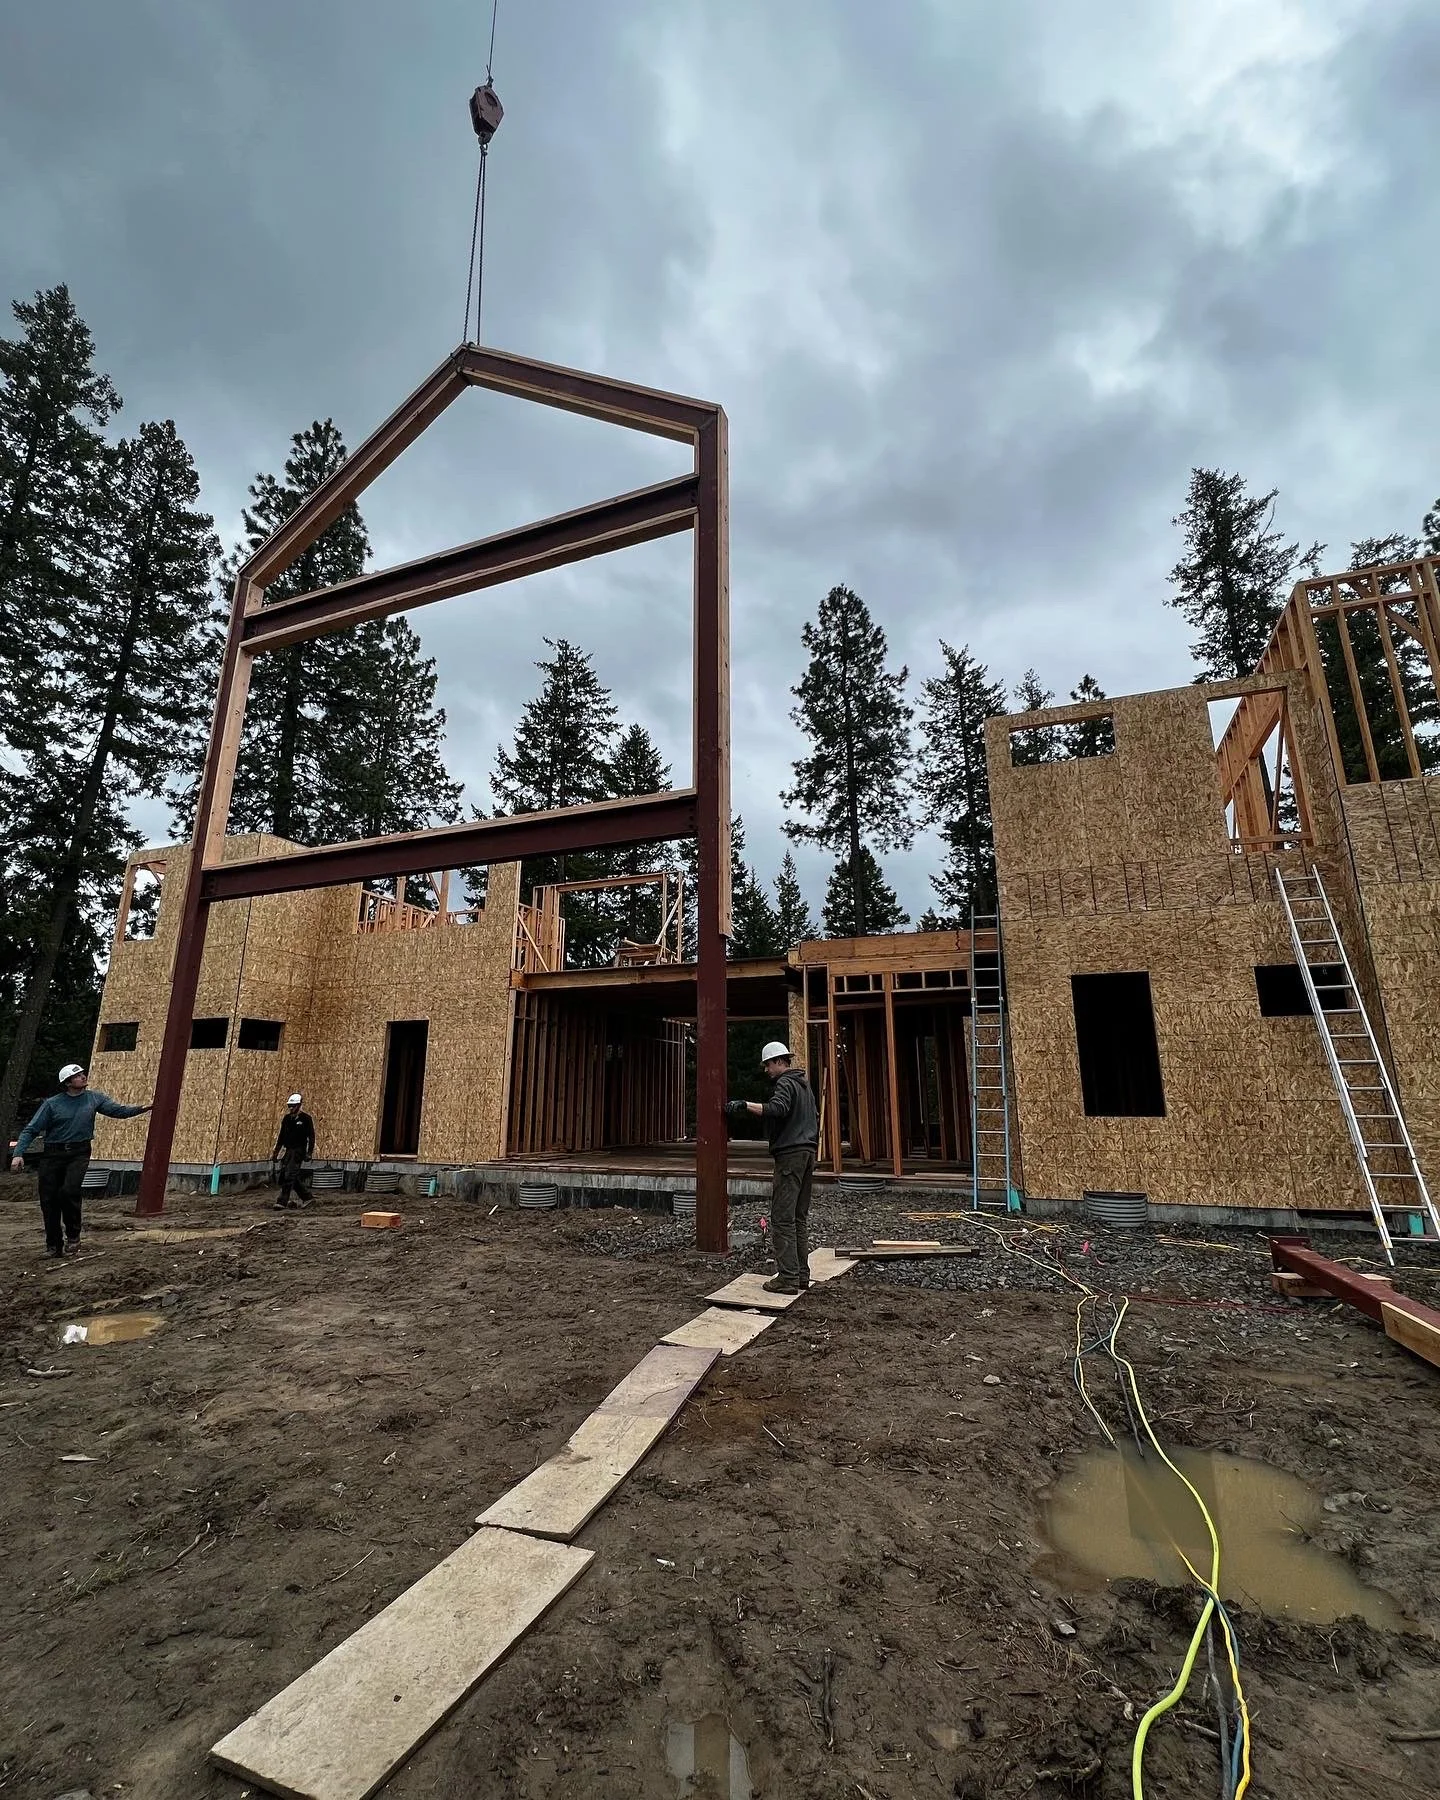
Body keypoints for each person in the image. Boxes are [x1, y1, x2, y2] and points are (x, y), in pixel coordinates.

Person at [10, 1064, 152, 1258]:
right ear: (68, 1082)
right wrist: (19, 1154)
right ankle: (53, 1246)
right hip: (53, 1154)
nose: (83, 1077)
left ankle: (73, 1237)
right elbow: (31, 1130)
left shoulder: (94, 1098)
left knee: (69, 1191)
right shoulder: (52, 1104)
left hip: (79, 1152)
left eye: (83, 1074)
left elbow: (118, 1111)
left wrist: (144, 1108)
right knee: (49, 1200)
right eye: (78, 1076)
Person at [726, 1040, 819, 1295]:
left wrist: (745, 1105)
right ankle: (801, 1275)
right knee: (798, 1217)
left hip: (790, 1155)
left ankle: (787, 1278)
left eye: (768, 1064)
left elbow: (777, 1109)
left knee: (781, 1218)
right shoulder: (804, 1085)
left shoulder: (786, 1083)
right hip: (808, 1154)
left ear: (780, 1062)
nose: (766, 1070)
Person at [271, 1093, 316, 1209]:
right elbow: (281, 1136)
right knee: (287, 1175)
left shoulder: (306, 1119)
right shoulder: (286, 1119)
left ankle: (282, 1202)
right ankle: (308, 1197)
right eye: (289, 1106)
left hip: (298, 1151)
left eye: (293, 1106)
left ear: (299, 1105)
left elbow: (311, 1137)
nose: (291, 1108)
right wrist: (276, 1152)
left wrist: (309, 1152)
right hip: (288, 1150)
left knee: (289, 1176)